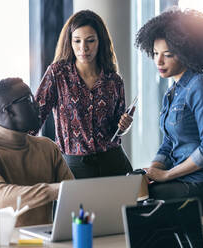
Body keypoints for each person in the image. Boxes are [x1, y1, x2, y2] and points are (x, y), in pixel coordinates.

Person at [135, 7, 203, 215]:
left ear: (187, 53)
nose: (158, 61)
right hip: (184, 181)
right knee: (134, 185)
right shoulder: (172, 92)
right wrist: (153, 170)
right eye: (155, 54)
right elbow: (169, 143)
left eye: (167, 55)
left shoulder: (201, 85)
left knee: (140, 200)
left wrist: (167, 175)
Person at [33, 10, 134, 179]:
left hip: (114, 161)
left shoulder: (114, 80)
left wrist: (124, 125)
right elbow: (35, 117)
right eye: (77, 41)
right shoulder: (58, 74)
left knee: (123, 206)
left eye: (90, 41)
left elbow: (116, 127)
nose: (83, 48)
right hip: (74, 166)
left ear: (100, 41)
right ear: (70, 42)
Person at [0, 78, 74, 227]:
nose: (37, 104)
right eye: (29, 99)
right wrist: (56, 190)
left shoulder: (47, 147)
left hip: (46, 243)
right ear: (8, 110)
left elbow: (74, 193)